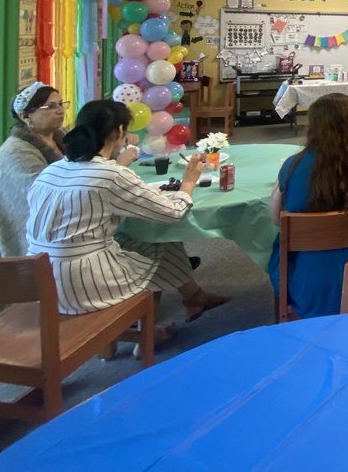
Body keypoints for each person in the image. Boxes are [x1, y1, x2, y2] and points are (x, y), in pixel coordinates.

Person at [27, 100, 228, 344]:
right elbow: (171, 213)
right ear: (119, 131)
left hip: (40, 281)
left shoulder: (52, 170)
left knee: (148, 240)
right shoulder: (111, 174)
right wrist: (189, 182)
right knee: (159, 239)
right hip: (84, 282)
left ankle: (193, 298)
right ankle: (144, 333)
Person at [267, 93, 348, 318]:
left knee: (279, 243)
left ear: (314, 126)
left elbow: (277, 219)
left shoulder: (293, 166)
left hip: (311, 284)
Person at [0, 82, 67, 257]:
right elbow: (44, 195)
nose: (60, 111)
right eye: (50, 107)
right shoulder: (16, 152)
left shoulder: (62, 138)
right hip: (36, 237)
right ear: (25, 116)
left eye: (61, 104)